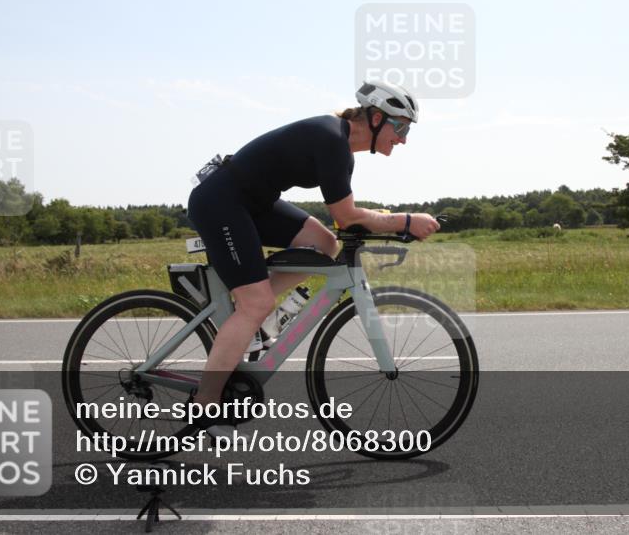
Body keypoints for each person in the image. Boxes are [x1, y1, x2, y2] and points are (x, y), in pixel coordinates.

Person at [186, 80, 440, 432]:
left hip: (251, 203)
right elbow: (347, 216)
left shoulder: (341, 148)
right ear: (378, 117)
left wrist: (386, 219)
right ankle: (205, 404)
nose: (403, 139)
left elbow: (343, 217)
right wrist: (405, 221)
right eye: (401, 128)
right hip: (222, 203)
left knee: (325, 244)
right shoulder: (332, 140)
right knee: (254, 303)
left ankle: (257, 318)